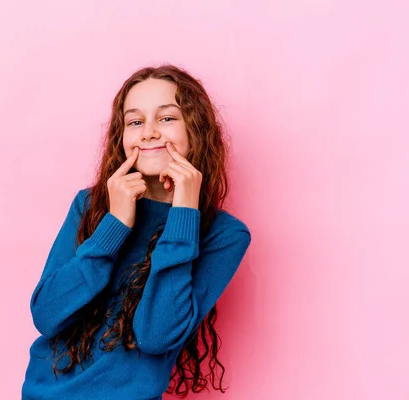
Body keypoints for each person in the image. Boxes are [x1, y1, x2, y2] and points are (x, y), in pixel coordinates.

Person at [21, 64, 252, 400]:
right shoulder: (89, 205)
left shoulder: (225, 235)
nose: (148, 133)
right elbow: (46, 315)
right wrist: (114, 226)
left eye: (167, 118)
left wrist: (184, 211)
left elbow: (156, 336)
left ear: (196, 130)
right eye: (135, 121)